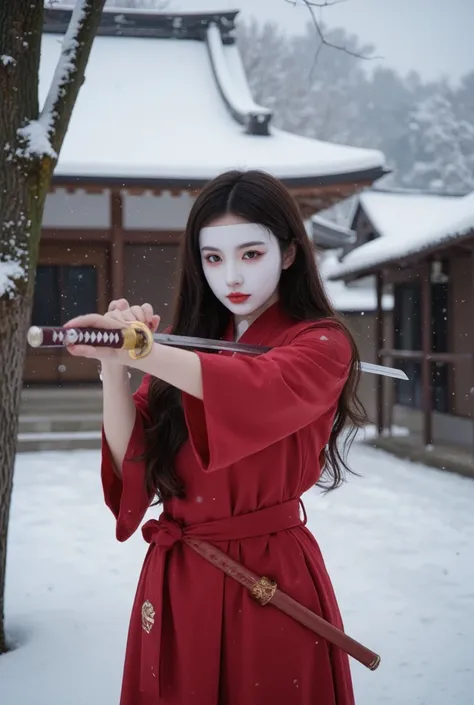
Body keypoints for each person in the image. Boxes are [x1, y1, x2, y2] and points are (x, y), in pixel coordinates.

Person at [65, 169, 368, 705]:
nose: (231, 276)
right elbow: (133, 453)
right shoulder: (196, 348)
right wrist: (114, 365)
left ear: (289, 253)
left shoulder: (323, 344)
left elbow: (258, 389)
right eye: (213, 258)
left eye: (250, 254)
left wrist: (141, 348)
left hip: (266, 575)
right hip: (180, 574)